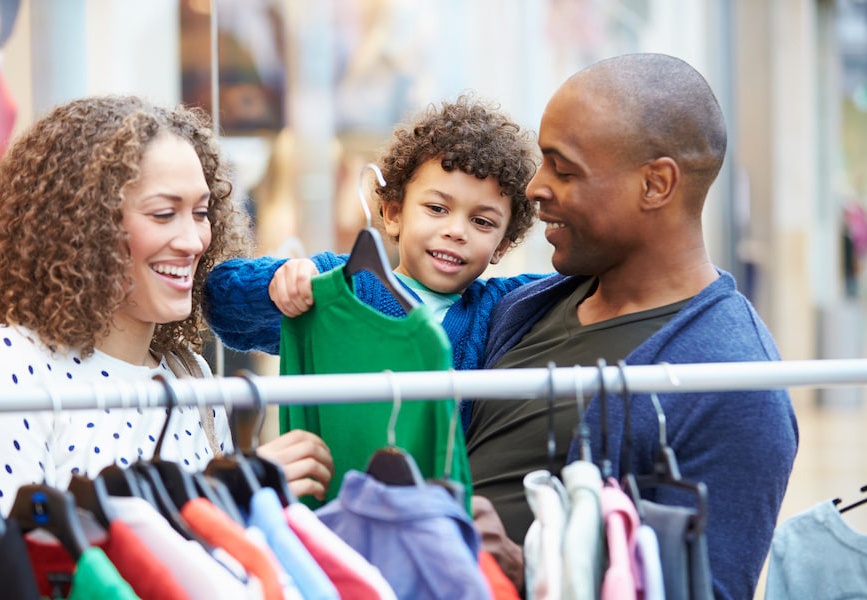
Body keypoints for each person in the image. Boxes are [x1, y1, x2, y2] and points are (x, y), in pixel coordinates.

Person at [464, 53, 799, 600]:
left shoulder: (735, 383)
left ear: (655, 184)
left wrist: (528, 571)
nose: (534, 187)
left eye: (564, 169)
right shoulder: (521, 307)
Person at [0, 94, 333, 512]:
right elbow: (16, 559)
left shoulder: (190, 374)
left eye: (200, 212)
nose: (193, 240)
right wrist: (234, 486)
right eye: (163, 214)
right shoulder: (10, 363)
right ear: (83, 226)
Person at [203, 93, 547, 502]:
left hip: (437, 519)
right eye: (437, 208)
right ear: (393, 213)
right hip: (332, 511)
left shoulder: (499, 307)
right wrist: (281, 281)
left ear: (503, 245)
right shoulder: (342, 285)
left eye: (481, 221)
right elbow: (220, 296)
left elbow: (578, 280)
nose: (457, 230)